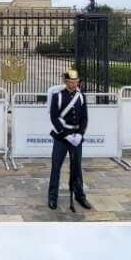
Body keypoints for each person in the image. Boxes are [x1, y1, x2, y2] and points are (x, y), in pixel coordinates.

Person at [47, 68, 92, 211]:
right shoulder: (58, 96)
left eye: (76, 82)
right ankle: (52, 197)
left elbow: (84, 117)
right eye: (71, 82)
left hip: (76, 138)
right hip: (62, 138)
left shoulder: (81, 96)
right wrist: (65, 134)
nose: (74, 84)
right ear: (66, 81)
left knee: (77, 168)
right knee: (56, 167)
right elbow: (54, 117)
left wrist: (80, 134)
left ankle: (80, 195)